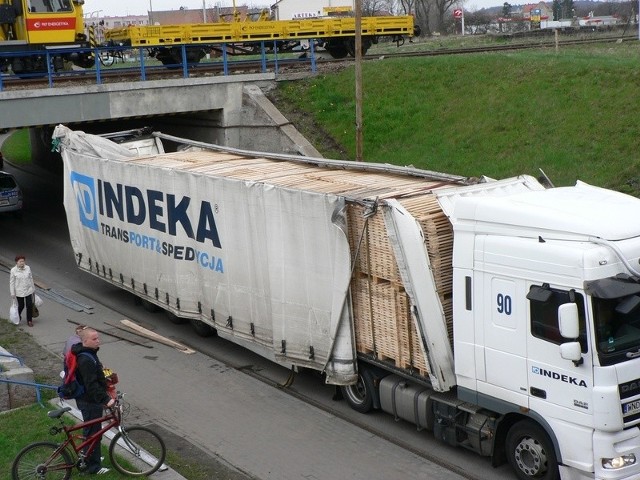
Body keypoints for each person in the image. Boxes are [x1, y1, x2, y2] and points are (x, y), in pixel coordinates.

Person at [72, 327, 115, 475]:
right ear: (85, 341)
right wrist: (106, 399)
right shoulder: (85, 359)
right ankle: (93, 467)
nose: (98, 341)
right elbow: (91, 385)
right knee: (93, 432)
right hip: (89, 401)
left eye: (98, 338)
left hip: (90, 400)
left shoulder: (89, 353)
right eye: (94, 339)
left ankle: (90, 456)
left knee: (94, 431)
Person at [9, 255, 36, 327]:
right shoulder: (13, 270)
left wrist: (33, 289)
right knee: (21, 306)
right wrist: (12, 293)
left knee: (29, 305)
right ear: (17, 262)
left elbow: (31, 278)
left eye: (23, 261)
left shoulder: (28, 268)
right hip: (19, 292)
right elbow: (12, 283)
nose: (22, 263)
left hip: (28, 290)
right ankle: (17, 317)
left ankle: (29, 320)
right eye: (20, 261)